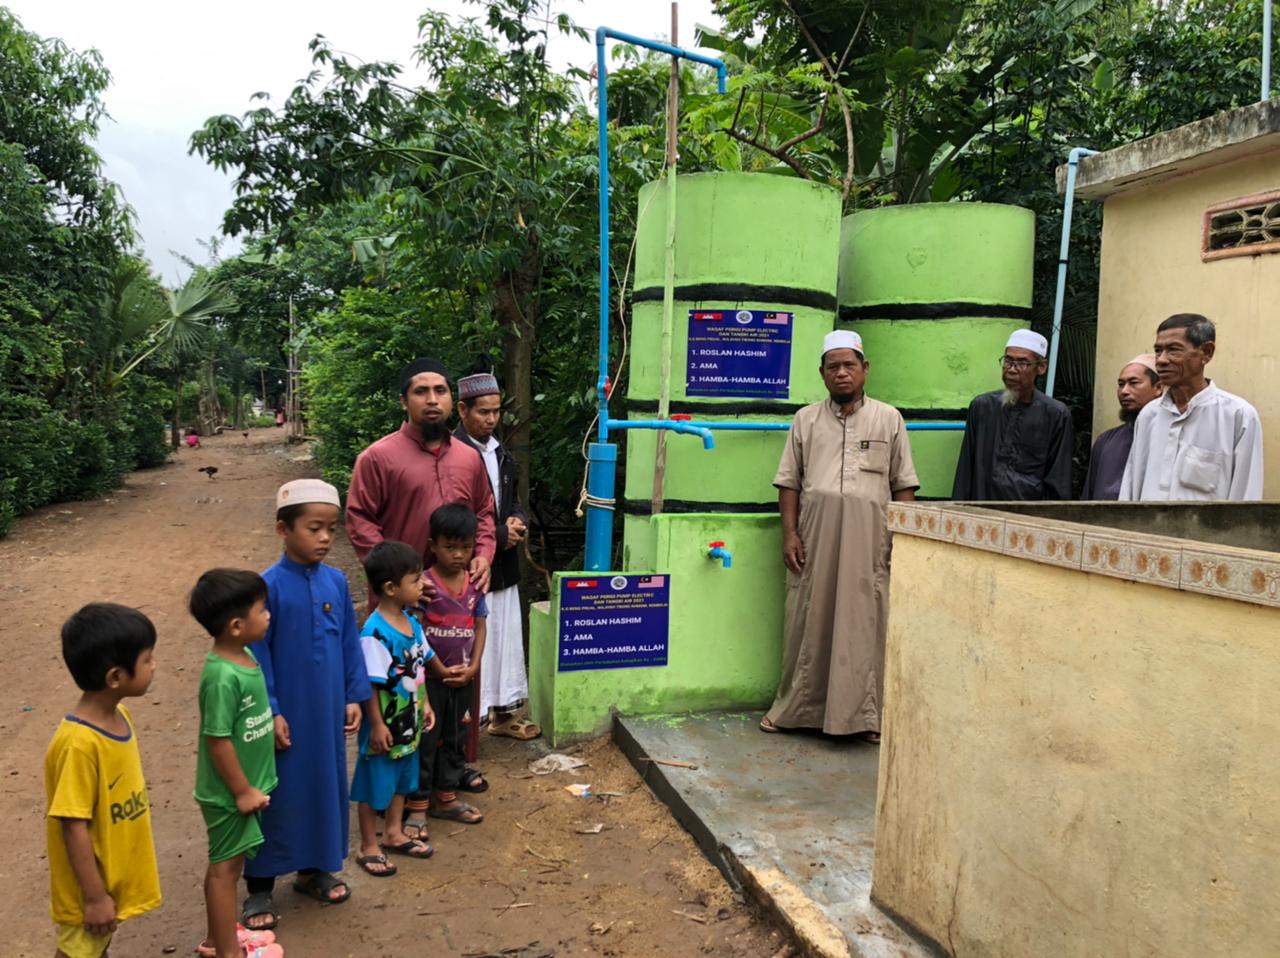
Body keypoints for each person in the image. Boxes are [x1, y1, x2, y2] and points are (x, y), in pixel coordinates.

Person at [760, 330, 919, 742]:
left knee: (866, 622)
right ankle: (795, 710)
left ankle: (866, 717)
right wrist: (790, 533)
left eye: (850, 365)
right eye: (834, 367)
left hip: (872, 542)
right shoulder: (806, 420)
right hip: (816, 538)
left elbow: (904, 485)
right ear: (822, 374)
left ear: (865, 370)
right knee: (807, 619)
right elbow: (789, 483)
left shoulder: (889, 419)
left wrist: (902, 539)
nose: (842, 373)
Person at [241, 479, 371, 932]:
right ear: (283, 530)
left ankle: (314, 869)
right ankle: (259, 885)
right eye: (314, 528)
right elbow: (257, 658)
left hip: (327, 710)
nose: (324, 538)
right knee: (276, 792)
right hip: (286, 716)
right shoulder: (267, 588)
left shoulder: (336, 581)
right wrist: (272, 709)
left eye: (330, 529)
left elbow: (350, 645)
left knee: (324, 783)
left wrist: (355, 695)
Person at [45, 603, 161, 958]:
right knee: (78, 951)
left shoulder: (120, 716)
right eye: (147, 660)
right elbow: (72, 824)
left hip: (109, 876)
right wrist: (94, 897)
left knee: (96, 947)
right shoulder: (80, 745)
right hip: (88, 890)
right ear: (115, 677)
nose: (154, 666)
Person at [189, 570, 283, 958]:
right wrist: (242, 790)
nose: (268, 616)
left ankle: (219, 939)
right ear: (235, 625)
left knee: (226, 866)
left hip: (247, 788)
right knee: (224, 873)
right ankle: (229, 952)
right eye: (262, 611)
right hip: (230, 795)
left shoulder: (244, 656)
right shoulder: (222, 676)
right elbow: (217, 738)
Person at [345, 357, 497, 591]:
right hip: (399, 600)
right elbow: (360, 522)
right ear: (404, 401)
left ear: (451, 399)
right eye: (421, 392)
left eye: (440, 391)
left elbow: (484, 513)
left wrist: (483, 555)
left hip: (457, 599)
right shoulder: (377, 458)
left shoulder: (469, 457)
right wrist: (399, 574)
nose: (432, 400)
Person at [453, 371, 540, 741]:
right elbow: (451, 514)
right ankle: (463, 719)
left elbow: (515, 500)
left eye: (496, 412)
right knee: (469, 641)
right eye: (482, 412)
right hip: (467, 565)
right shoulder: (453, 454)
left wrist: (517, 521)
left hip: (503, 565)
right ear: (462, 410)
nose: (490, 419)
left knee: (504, 637)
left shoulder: (500, 451)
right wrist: (498, 534)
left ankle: (502, 715)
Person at [351, 540, 437, 877]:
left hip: (409, 719)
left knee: (404, 778)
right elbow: (370, 684)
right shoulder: (375, 633)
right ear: (390, 588)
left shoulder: (411, 623)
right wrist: (376, 724)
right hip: (385, 724)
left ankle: (393, 832)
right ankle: (368, 845)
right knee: (375, 782)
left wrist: (426, 703)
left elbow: (420, 667)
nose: (421, 585)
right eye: (415, 581)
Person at [1120, 313, 1263, 501]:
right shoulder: (1149, 414)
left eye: (1173, 350)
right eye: (1158, 350)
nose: (1161, 360)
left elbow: (1246, 495)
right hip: (1144, 529)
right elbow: (1131, 487)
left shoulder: (1238, 415)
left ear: (1206, 353)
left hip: (1207, 531)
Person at [408, 503, 489, 826]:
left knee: (456, 737)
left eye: (466, 547)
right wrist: (438, 668)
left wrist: (474, 667)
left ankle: (446, 797)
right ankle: (417, 805)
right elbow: (414, 632)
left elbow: (480, 626)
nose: (458, 555)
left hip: (463, 677)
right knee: (426, 739)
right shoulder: (424, 586)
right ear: (433, 546)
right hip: (430, 679)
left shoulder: (474, 586)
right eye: (450, 547)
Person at [952, 329, 1073, 500]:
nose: (1012, 369)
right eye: (1008, 361)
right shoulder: (982, 407)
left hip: (1027, 519)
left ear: (1041, 367)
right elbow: (965, 472)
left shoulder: (1056, 415)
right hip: (981, 514)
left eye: (1022, 363)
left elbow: (1058, 481)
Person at [1081, 355, 1162, 500]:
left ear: (1158, 388)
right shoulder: (1105, 441)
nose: (1124, 391)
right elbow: (1089, 495)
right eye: (1121, 384)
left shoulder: (1169, 438)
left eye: (1134, 383)